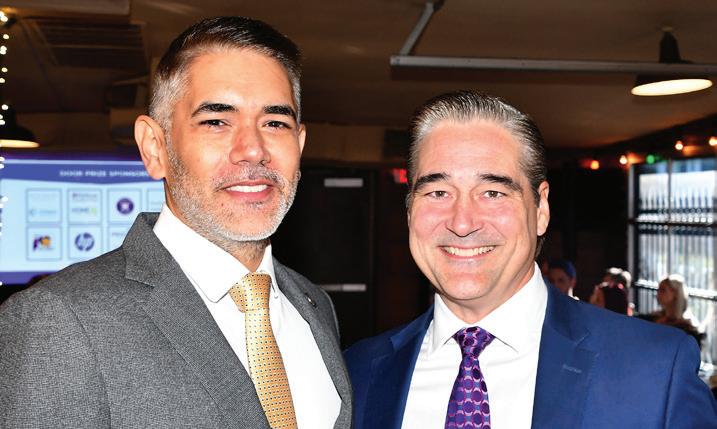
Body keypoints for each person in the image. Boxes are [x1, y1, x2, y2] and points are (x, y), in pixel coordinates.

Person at [0, 17, 351, 429]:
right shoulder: (60, 320)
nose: (253, 149)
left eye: (275, 123)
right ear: (155, 147)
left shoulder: (313, 306)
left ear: (300, 144)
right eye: (216, 121)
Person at [344, 90, 716, 428]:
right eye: (438, 192)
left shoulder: (654, 372)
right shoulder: (356, 375)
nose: (462, 223)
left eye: (492, 193)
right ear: (409, 210)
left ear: (541, 210)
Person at [643, 274, 702, 347]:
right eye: (658, 290)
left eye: (663, 290)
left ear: (675, 293)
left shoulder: (688, 326)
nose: (658, 294)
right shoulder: (654, 317)